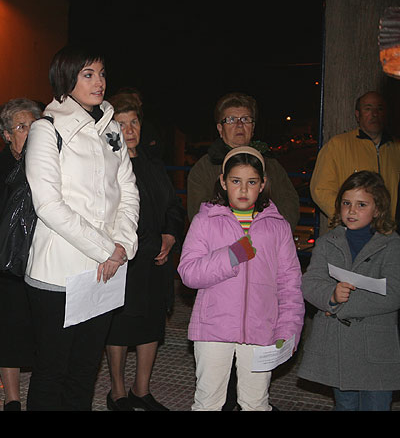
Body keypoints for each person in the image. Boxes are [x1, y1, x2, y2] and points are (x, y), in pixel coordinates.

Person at [24, 45, 140, 411]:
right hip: (58, 271)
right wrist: (106, 249)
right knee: (51, 371)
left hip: (105, 271)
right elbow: (48, 205)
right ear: (65, 78)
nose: (99, 82)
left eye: (102, 73)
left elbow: (128, 191)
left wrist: (121, 246)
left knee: (85, 371)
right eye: (88, 74)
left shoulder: (111, 130)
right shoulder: (47, 128)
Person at [178, 146, 305, 411]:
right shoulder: (206, 220)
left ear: (263, 184)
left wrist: (288, 329)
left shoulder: (277, 227)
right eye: (236, 181)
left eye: (251, 182)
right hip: (213, 328)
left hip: (261, 328)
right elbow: (188, 272)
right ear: (223, 181)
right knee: (208, 402)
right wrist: (231, 256)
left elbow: (290, 284)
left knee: (255, 402)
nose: (244, 190)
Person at [104, 93, 185, 411]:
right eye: (121, 123)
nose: (129, 128)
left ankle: (142, 390)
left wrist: (170, 237)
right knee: (120, 328)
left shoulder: (154, 165)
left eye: (134, 121)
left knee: (152, 325)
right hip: (125, 262)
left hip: (156, 260)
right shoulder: (108, 166)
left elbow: (173, 207)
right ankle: (118, 393)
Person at [297, 171, 400, 411]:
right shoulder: (327, 242)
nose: (352, 211)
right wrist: (330, 296)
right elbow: (310, 281)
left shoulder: (392, 245)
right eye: (346, 203)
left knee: (376, 405)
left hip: (375, 346)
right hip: (339, 346)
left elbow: (393, 292)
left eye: (361, 204)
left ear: (377, 209)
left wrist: (341, 306)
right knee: (345, 404)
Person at [0, 98, 41, 411]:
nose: (28, 132)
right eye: (21, 126)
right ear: (5, 134)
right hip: (7, 264)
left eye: (33, 125)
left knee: (42, 327)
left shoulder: (48, 166)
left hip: (44, 262)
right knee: (8, 329)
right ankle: (12, 399)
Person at [187, 92, 299, 232]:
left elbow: (289, 205)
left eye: (245, 119)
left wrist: (269, 236)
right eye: (231, 120)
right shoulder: (203, 169)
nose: (239, 125)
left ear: (253, 128)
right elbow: (198, 216)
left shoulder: (271, 165)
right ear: (220, 129)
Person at [310, 91, 400, 222]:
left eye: (379, 109)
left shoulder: (396, 148)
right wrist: (348, 219)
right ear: (358, 115)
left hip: (389, 231)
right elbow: (320, 190)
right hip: (350, 233)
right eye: (368, 109)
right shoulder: (338, 145)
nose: (374, 114)